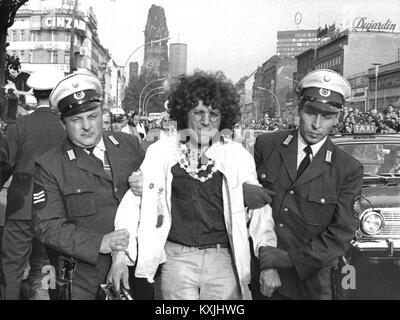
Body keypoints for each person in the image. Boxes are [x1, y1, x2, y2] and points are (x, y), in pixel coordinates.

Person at [108, 71, 277, 300]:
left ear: (223, 117)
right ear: (184, 113)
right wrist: (120, 255)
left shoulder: (237, 156)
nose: (206, 121)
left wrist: (269, 263)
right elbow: (133, 204)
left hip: (224, 260)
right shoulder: (161, 153)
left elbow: (259, 214)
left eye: (214, 114)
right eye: (198, 112)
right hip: (176, 258)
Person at [31, 73, 145, 300]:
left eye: (92, 116)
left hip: (132, 271)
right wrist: (99, 242)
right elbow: (47, 226)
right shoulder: (50, 164)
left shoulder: (129, 146)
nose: (86, 127)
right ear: (63, 123)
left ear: (102, 114)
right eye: (76, 120)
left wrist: (150, 188)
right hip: (78, 277)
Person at [252, 69, 364, 300]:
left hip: (314, 284)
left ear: (337, 118)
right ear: (299, 110)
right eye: (311, 113)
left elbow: (341, 232)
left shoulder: (347, 169)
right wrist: (267, 262)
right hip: (265, 277)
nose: (317, 124)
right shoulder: (267, 146)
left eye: (327, 117)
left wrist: (292, 260)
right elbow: (254, 212)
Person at [0, 69, 66, 300]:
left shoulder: (19, 125)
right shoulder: (65, 127)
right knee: (55, 265)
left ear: (34, 93)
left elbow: (5, 163)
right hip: (55, 207)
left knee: (11, 267)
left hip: (21, 205)